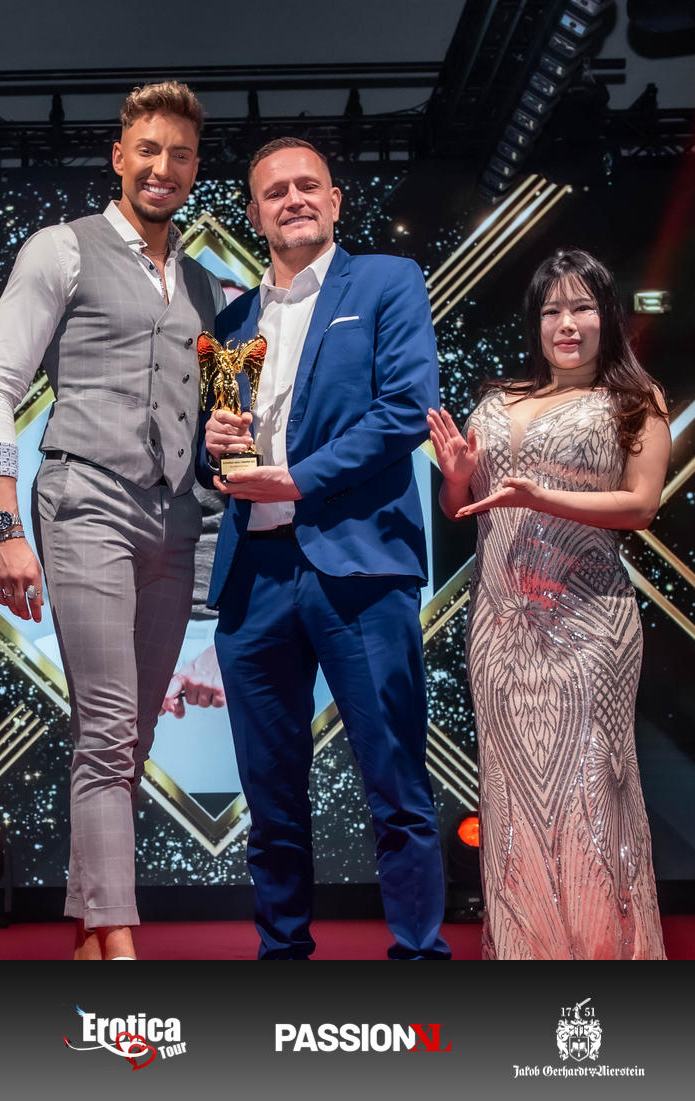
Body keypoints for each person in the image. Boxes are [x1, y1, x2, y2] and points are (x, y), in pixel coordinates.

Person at [0, 82, 222, 961]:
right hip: (86, 503)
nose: (162, 167)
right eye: (147, 150)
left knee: (131, 735)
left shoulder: (205, 285)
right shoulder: (61, 249)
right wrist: (5, 531)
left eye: (179, 154)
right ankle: (119, 942)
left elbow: (216, 420)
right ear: (119, 157)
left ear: (195, 168)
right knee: (108, 727)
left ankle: (87, 927)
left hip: (175, 520)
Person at [203, 137, 448, 960]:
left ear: (336, 200)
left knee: (395, 782)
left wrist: (297, 479)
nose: (294, 199)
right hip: (254, 579)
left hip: (360, 568)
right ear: (254, 213)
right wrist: (215, 448)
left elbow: (406, 409)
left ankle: (419, 956)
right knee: (269, 795)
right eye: (275, 192)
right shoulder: (230, 322)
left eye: (309, 185)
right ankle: (283, 957)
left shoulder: (386, 281)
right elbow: (219, 456)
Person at [425, 248, 671, 960]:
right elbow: (461, 510)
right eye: (552, 310)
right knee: (510, 797)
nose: (567, 324)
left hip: (590, 624)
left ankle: (602, 962)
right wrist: (457, 478)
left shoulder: (635, 401)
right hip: (500, 629)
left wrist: (543, 496)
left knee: (591, 790)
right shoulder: (497, 401)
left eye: (582, 307)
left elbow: (641, 506)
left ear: (607, 316)